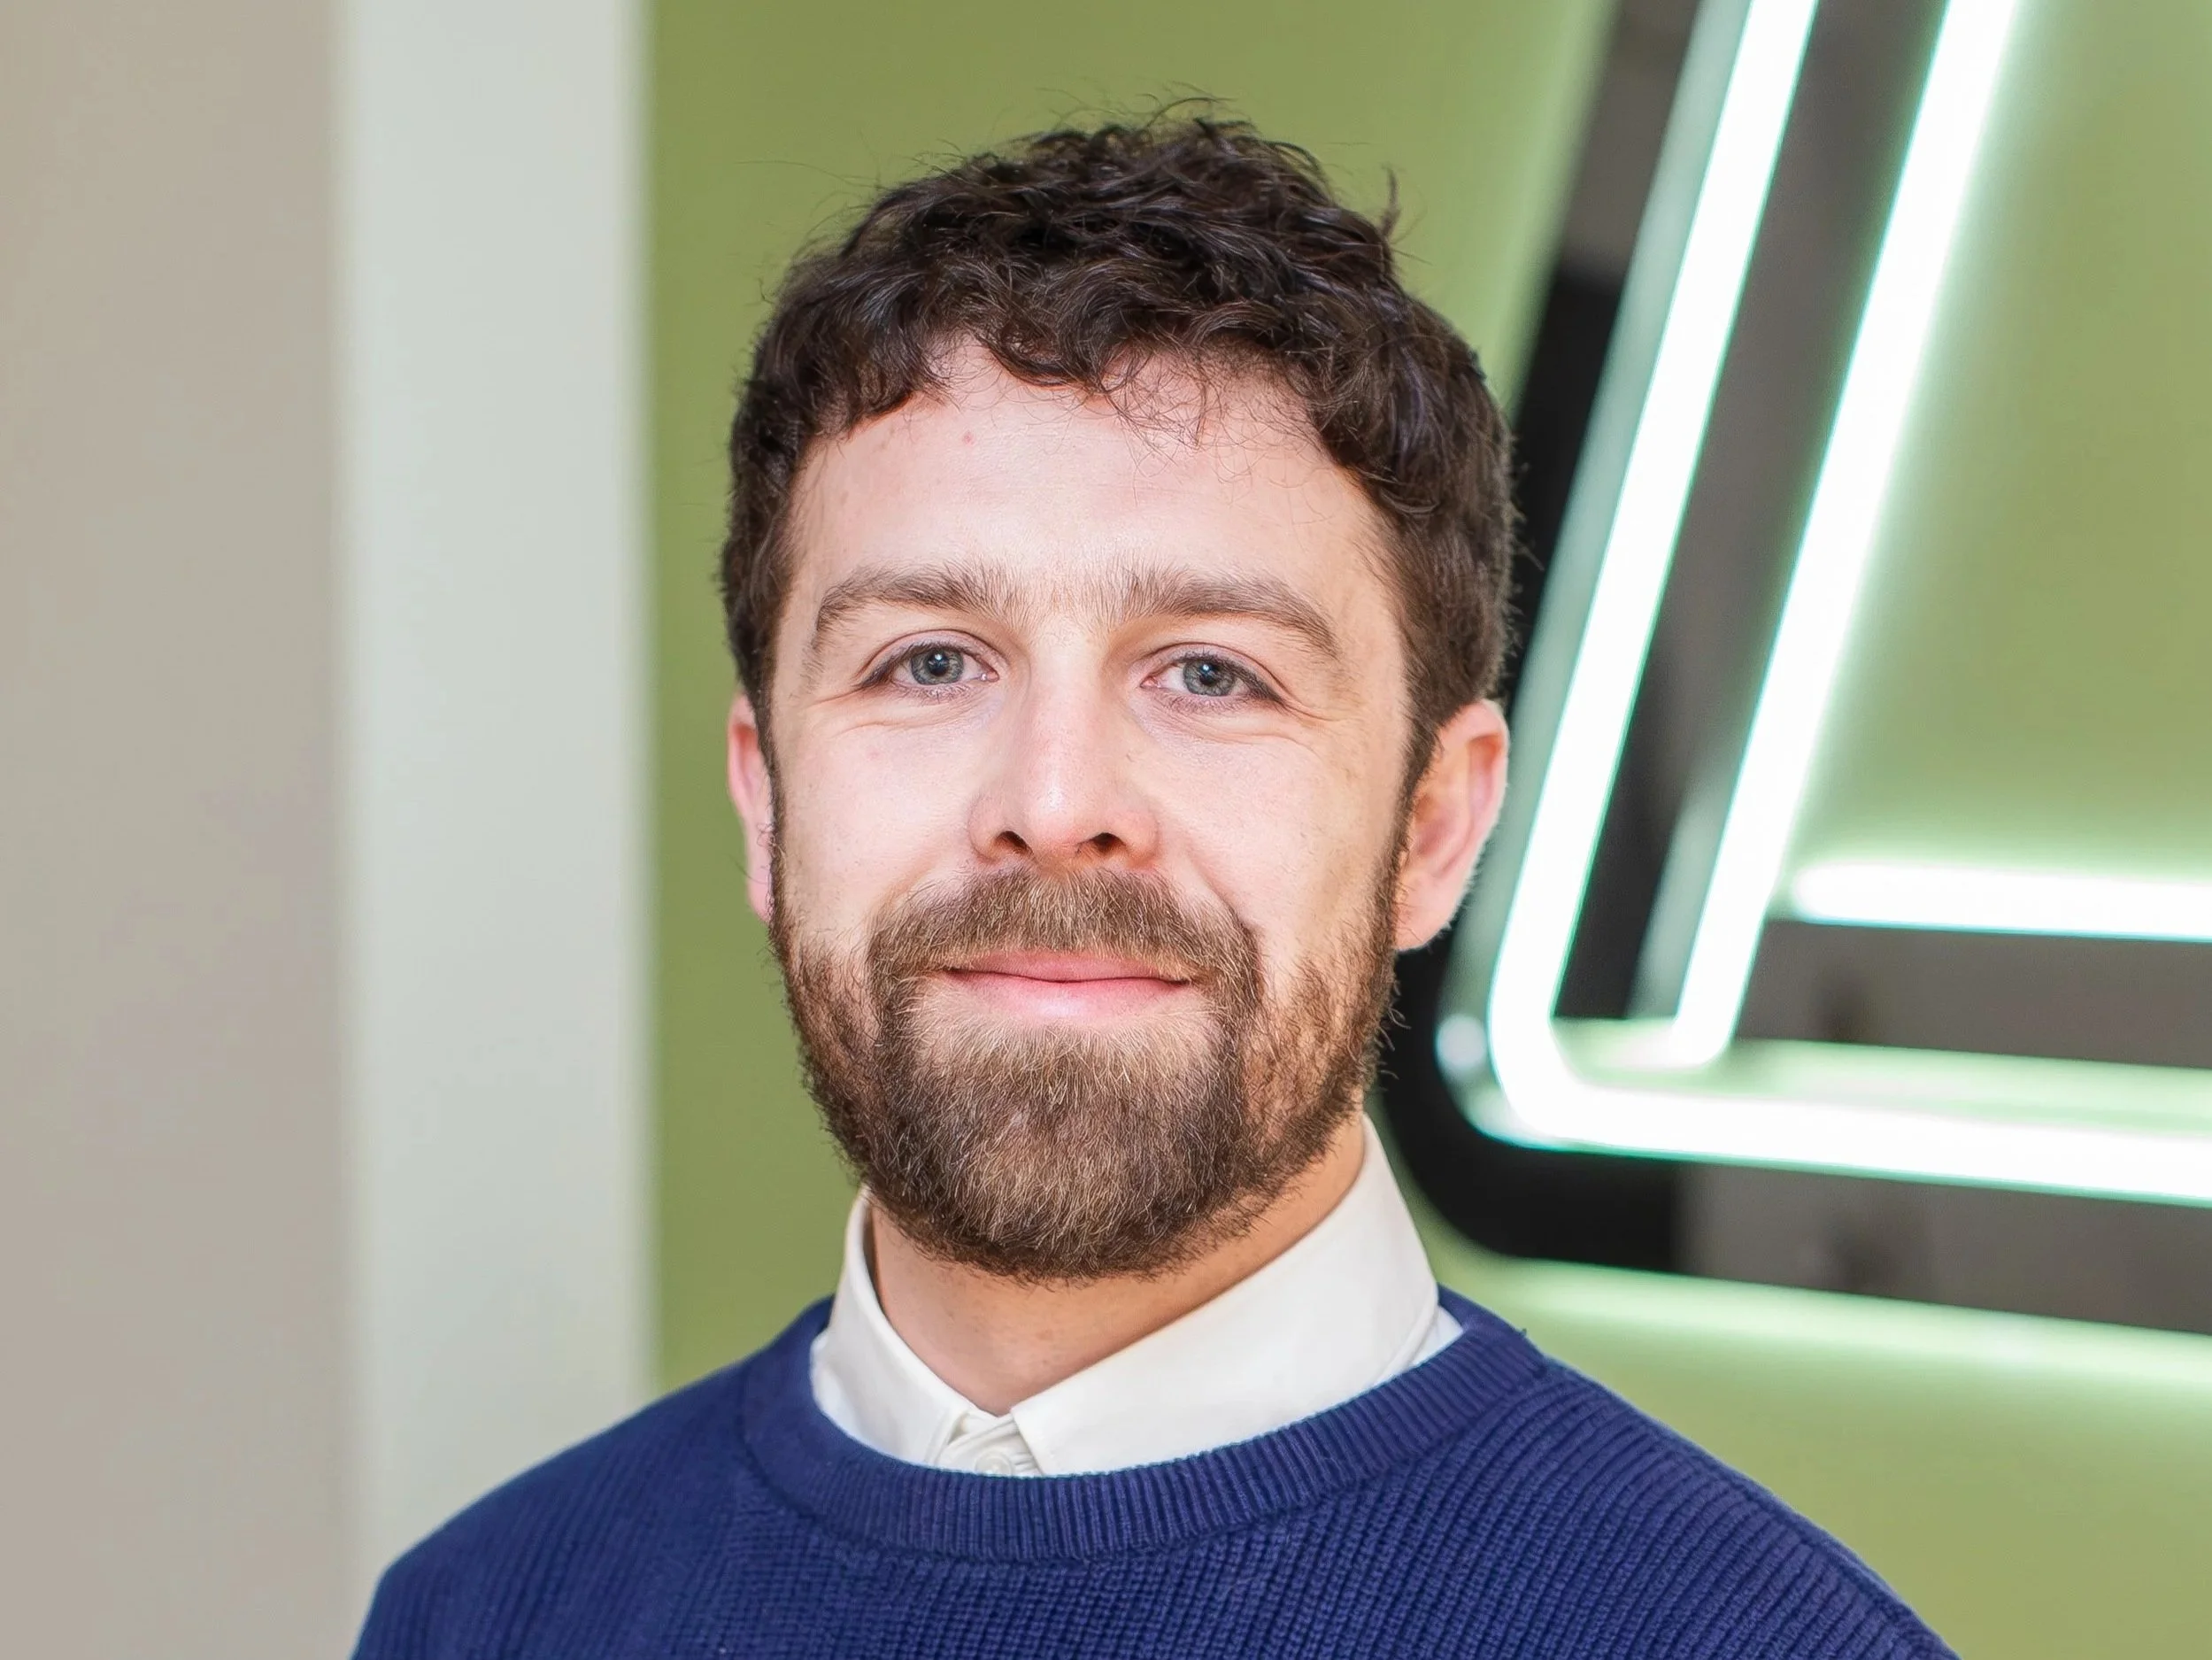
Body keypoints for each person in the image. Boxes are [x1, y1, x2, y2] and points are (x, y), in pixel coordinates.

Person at [353, 116, 1949, 1658]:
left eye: (1209, 672)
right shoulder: (486, 1613)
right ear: (766, 801)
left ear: (1433, 829)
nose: (1054, 807)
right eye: (927, 661)